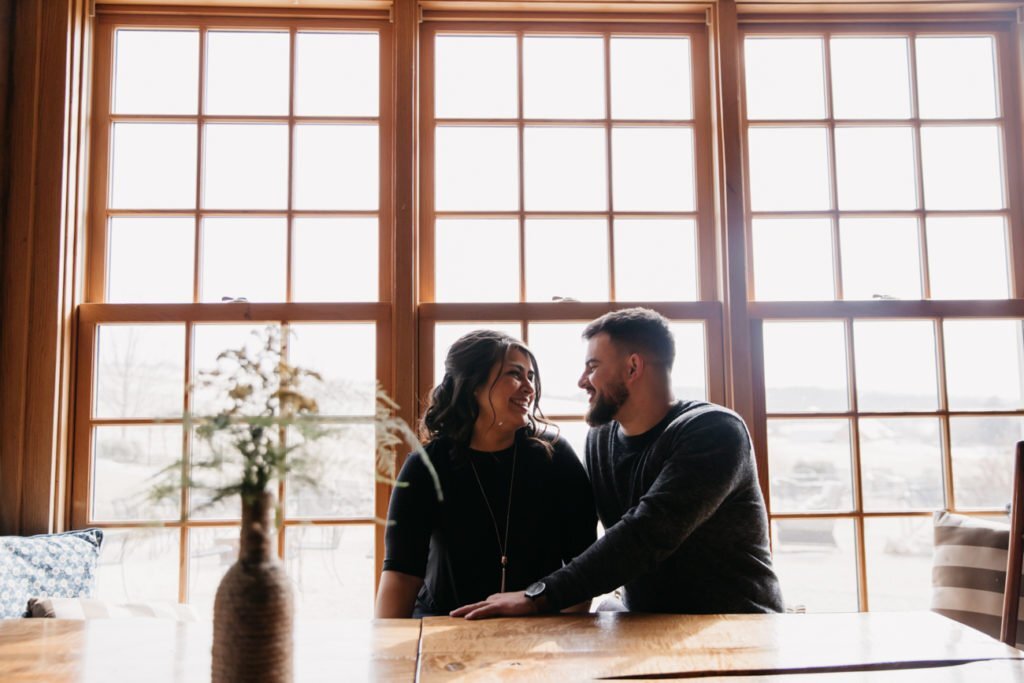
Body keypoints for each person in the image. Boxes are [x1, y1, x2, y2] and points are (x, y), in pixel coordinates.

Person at [451, 308, 784, 619]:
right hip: (645, 627)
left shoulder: (714, 432)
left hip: (735, 625)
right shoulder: (600, 438)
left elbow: (645, 535)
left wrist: (536, 595)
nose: (582, 380)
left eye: (593, 366)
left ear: (633, 367)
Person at [374, 329, 597, 618]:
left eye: (531, 376)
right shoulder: (425, 466)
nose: (529, 388)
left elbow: (585, 566)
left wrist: (559, 634)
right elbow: (401, 574)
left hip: (537, 631)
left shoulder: (555, 456)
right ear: (473, 385)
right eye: (515, 374)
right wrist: (390, 657)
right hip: (442, 628)